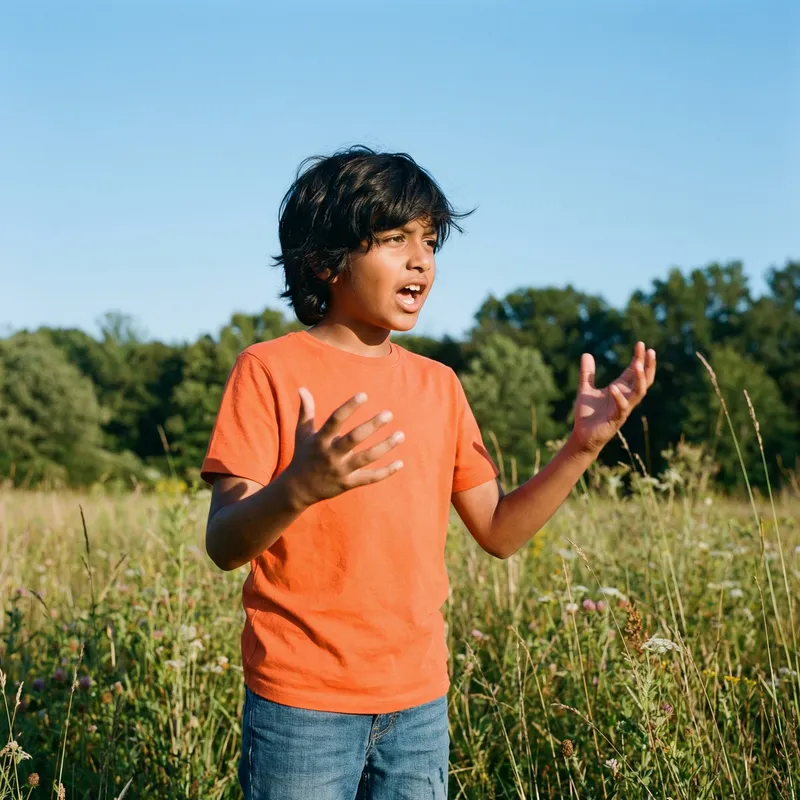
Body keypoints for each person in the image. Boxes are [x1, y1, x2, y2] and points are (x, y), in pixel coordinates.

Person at [200, 145, 656, 799]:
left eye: (430, 241)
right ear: (323, 261)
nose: (421, 260)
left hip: (418, 707)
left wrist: (582, 447)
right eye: (394, 239)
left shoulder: (439, 386)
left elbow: (499, 531)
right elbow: (223, 544)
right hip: (300, 705)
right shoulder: (268, 370)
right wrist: (299, 487)